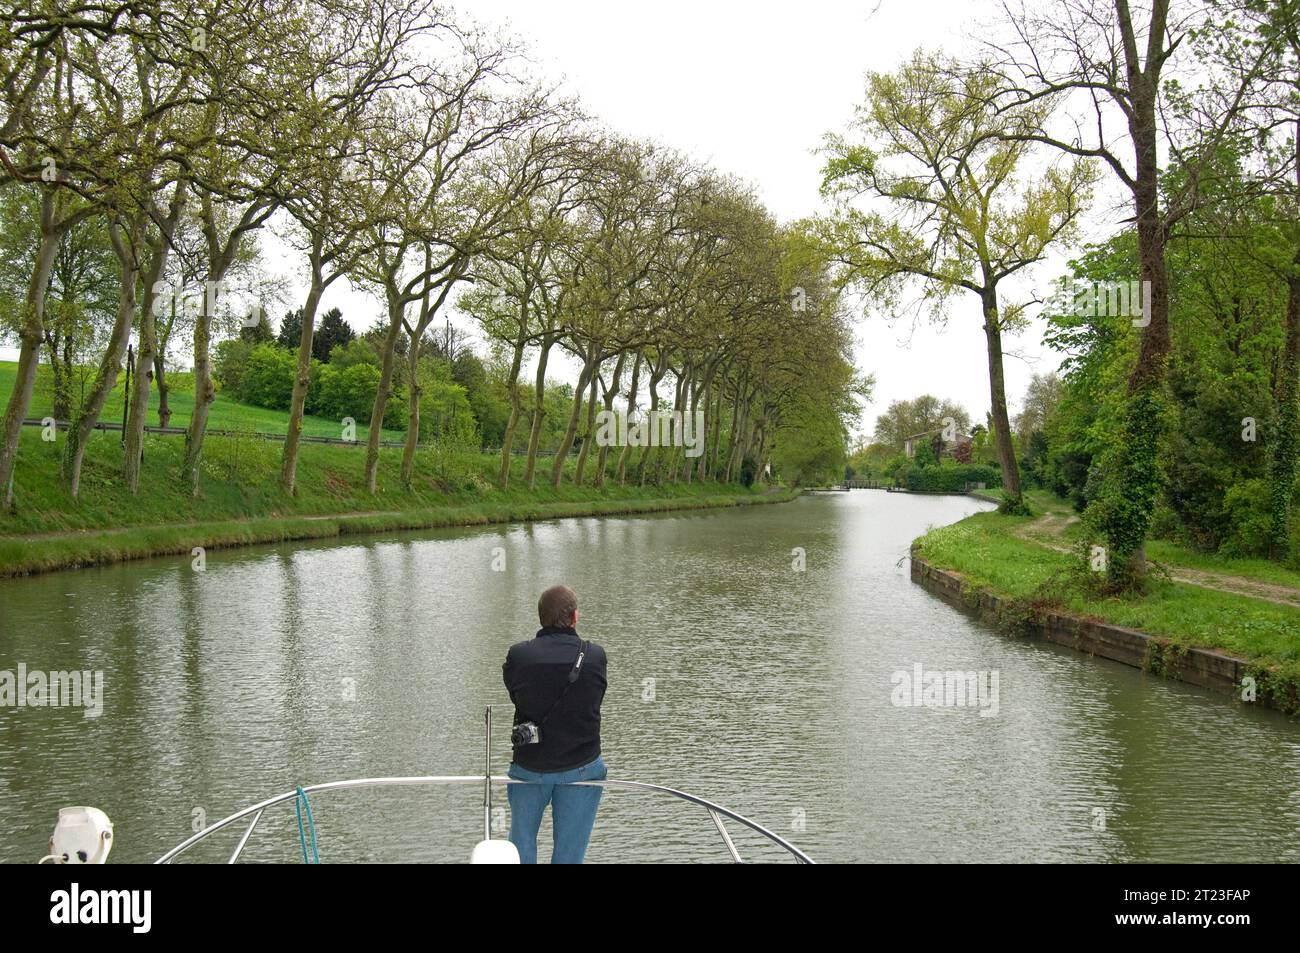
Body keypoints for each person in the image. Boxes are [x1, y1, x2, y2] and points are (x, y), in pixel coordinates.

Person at [502, 585, 608, 864]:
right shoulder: (595, 656)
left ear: (540, 618)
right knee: (570, 854)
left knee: (521, 845)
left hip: (530, 767)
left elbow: (516, 695)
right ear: (575, 617)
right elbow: (594, 700)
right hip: (581, 767)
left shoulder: (519, 656)